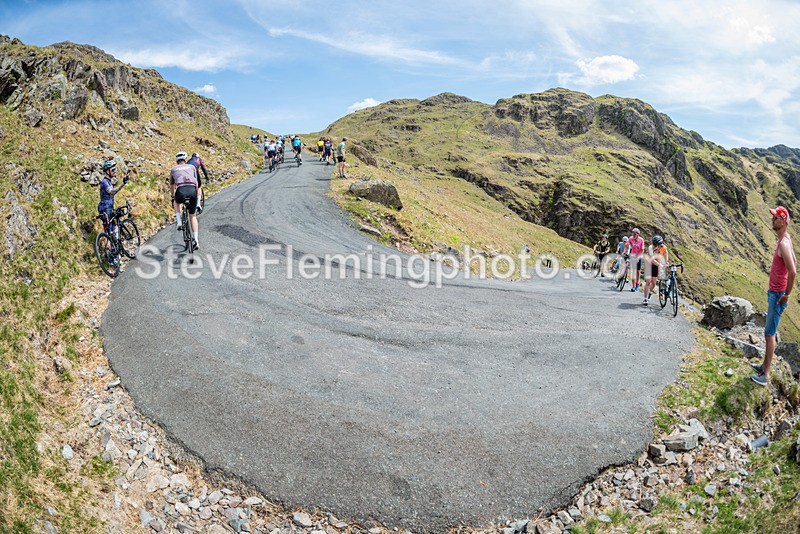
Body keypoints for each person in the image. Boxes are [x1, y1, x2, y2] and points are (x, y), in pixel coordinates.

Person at [752, 206, 797, 386]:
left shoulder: (784, 243)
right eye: (772, 217)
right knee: (768, 332)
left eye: (775, 218)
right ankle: (763, 366)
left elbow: (793, 271)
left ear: (783, 221)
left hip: (778, 294)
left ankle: (766, 375)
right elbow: (794, 263)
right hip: (776, 292)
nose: (772, 220)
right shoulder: (785, 239)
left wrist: (786, 294)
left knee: (769, 334)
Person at [98, 159, 129, 263]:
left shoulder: (109, 181)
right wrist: (122, 184)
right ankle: (111, 258)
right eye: (113, 169)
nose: (115, 171)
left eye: (115, 169)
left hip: (109, 208)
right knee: (109, 232)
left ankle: (115, 252)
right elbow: (111, 192)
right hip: (105, 209)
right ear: (107, 171)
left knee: (113, 229)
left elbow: (111, 194)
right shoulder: (104, 182)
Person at [170, 151, 200, 250]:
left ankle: (179, 221)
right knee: (193, 216)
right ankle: (196, 240)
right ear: (185, 160)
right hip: (192, 191)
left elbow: (172, 185)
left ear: (177, 161)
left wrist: (173, 196)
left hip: (181, 191)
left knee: (176, 202)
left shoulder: (173, 169)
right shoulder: (191, 167)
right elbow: (196, 183)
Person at [642, 235, 667, 305]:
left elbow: (666, 253)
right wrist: (660, 265)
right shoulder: (650, 247)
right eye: (654, 244)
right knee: (648, 281)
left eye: (656, 244)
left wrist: (666, 262)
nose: (654, 245)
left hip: (656, 265)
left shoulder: (663, 247)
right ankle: (645, 299)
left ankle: (650, 292)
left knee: (654, 283)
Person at [627, 228, 645, 292]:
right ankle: (633, 286)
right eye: (633, 233)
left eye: (635, 234)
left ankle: (637, 284)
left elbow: (642, 250)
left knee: (638, 272)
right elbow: (628, 246)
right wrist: (626, 252)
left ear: (638, 234)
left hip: (639, 256)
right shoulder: (630, 238)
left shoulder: (641, 240)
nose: (633, 235)